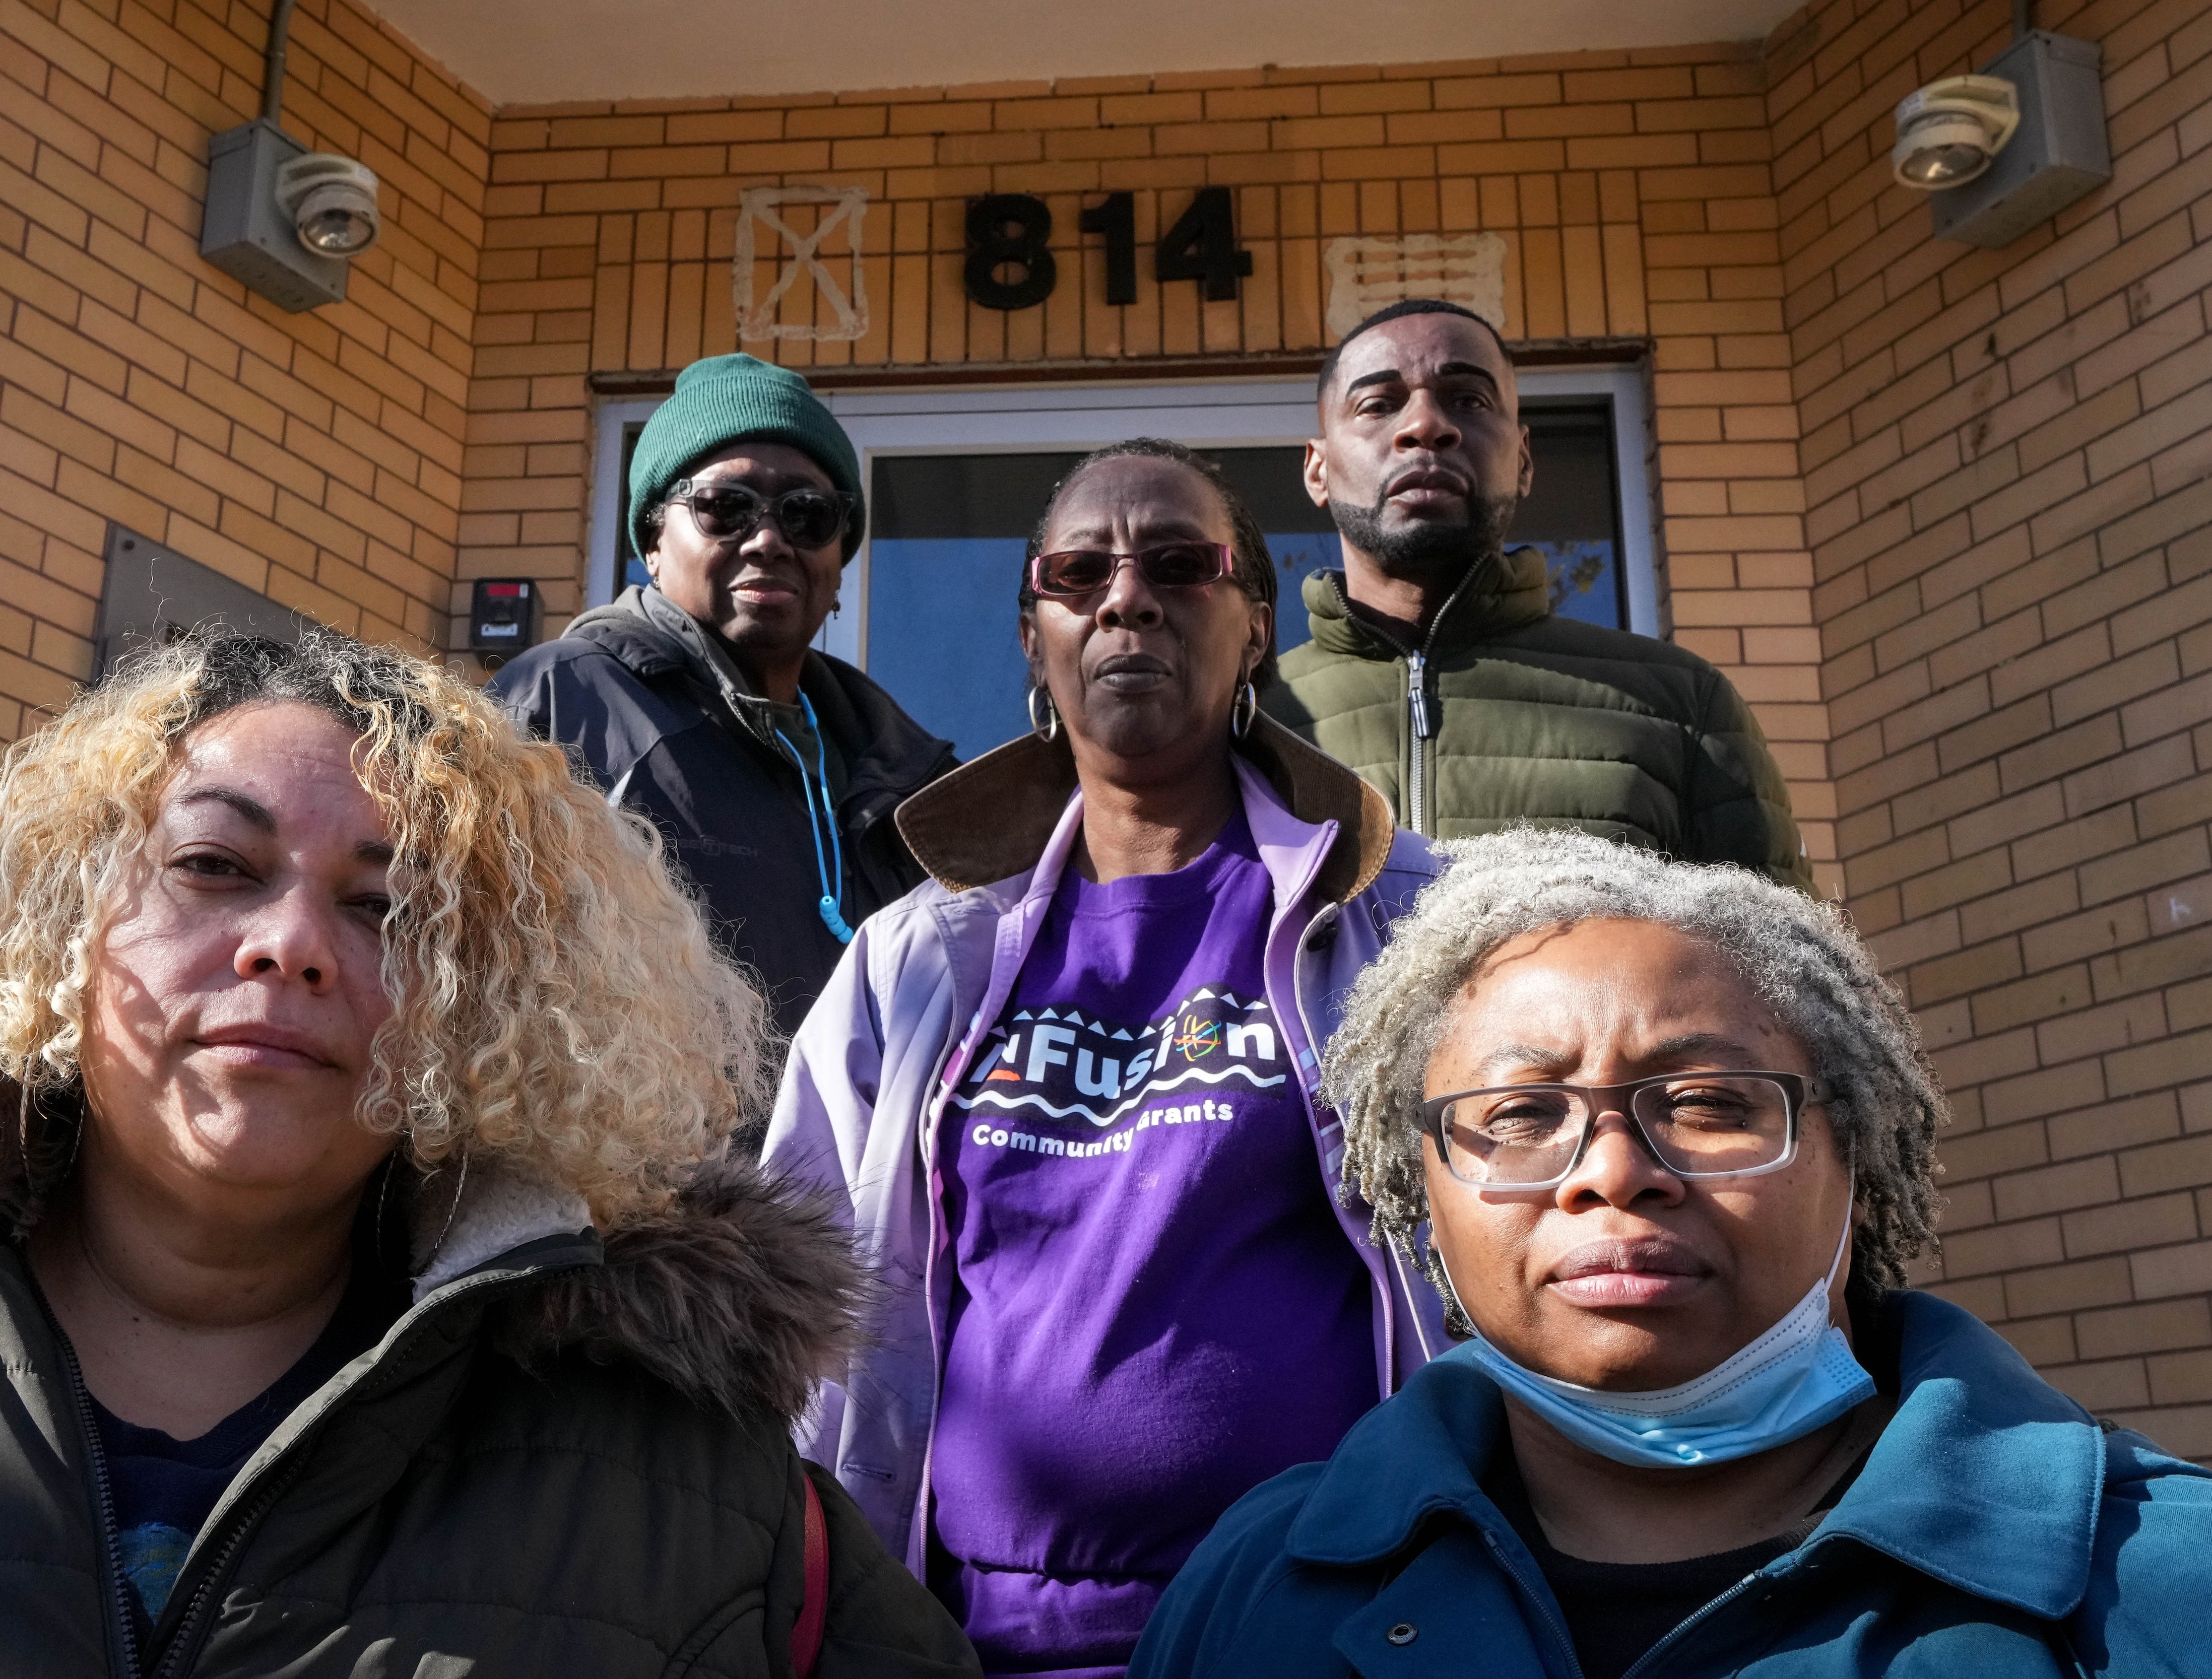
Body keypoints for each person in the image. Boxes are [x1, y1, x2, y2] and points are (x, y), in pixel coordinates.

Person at [0, 630, 978, 1678]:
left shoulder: (690, 1484)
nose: (293, 944)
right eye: (213, 865)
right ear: (58, 919)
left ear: (484, 1001)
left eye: (386, 905)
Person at [1133, 829, 2212, 1679]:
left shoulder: (2170, 1584)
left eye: (1706, 1102)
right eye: (1520, 1113)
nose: (1612, 1171)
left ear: (1858, 1154)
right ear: (1421, 1194)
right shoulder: (1253, 1586)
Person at [763, 438, 1450, 1679]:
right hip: (973, 1645)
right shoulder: (913, 958)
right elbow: (796, 1307)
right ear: (1036, 641)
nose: (1126, 598)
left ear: (1253, 626)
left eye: (1180, 565)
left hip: (1321, 1630)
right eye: (1078, 574)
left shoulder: (1400, 918)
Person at [490, 352, 955, 1054]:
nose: (768, 541)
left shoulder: (901, 769)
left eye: (808, 515)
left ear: (838, 561)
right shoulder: (558, 707)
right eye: (725, 508)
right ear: (653, 541)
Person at [1264, 299, 1811, 888]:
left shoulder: (1683, 705)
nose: (1424, 426)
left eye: (1469, 400)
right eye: (1377, 405)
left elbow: (1776, 947)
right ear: (1317, 470)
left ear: (1522, 461)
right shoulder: (1245, 721)